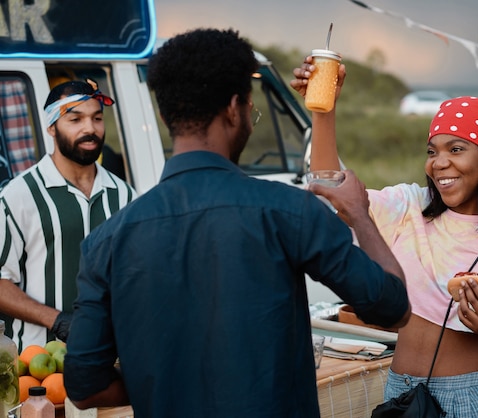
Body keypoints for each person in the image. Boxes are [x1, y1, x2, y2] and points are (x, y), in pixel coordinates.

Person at [63, 28, 411, 418]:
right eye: (250, 107)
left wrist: (167, 384)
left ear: (165, 115)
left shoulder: (106, 241)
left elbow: (84, 386)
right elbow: (392, 308)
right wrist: (359, 216)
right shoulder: (288, 211)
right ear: (234, 108)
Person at [291, 58, 478, 416]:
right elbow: (332, 189)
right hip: (400, 396)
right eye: (432, 151)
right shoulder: (409, 207)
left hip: (472, 401)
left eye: (456, 149)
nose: (439, 163)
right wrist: (324, 107)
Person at [0, 80, 136, 350]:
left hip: (112, 360)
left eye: (97, 118)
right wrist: (59, 321)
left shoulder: (125, 196)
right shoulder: (18, 195)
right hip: (39, 366)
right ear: (51, 127)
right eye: (75, 119)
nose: (90, 128)